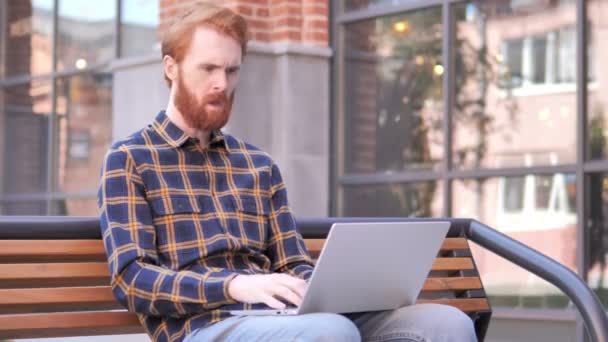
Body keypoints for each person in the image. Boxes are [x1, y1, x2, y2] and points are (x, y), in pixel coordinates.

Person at [97, 3, 477, 342]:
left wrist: (335, 287)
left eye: (231, 70)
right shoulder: (130, 158)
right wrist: (236, 286)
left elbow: (292, 262)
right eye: (208, 68)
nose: (222, 84)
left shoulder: (258, 165)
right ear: (171, 67)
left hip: (283, 318)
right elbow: (133, 280)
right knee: (331, 331)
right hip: (202, 325)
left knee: (446, 323)